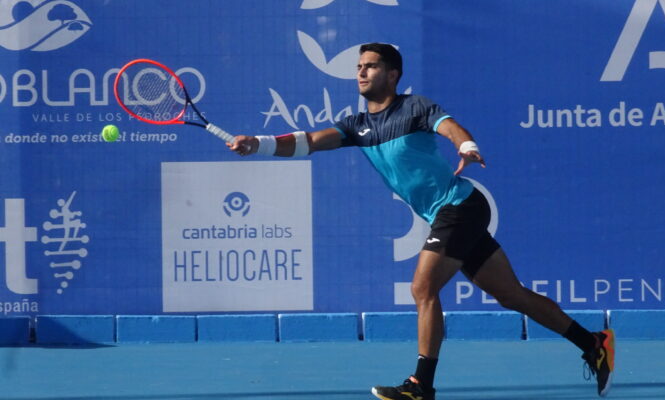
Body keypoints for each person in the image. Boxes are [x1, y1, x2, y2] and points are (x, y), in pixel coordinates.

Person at [228, 43, 615, 399]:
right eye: (359, 67)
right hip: (447, 214)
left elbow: (450, 127)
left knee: (422, 288)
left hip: (459, 207)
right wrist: (256, 144)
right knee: (510, 295)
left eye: (371, 66)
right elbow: (307, 141)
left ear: (393, 74)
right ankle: (593, 343)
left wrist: (467, 145)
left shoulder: (415, 108)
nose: (361, 73)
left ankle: (420, 385)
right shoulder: (355, 126)